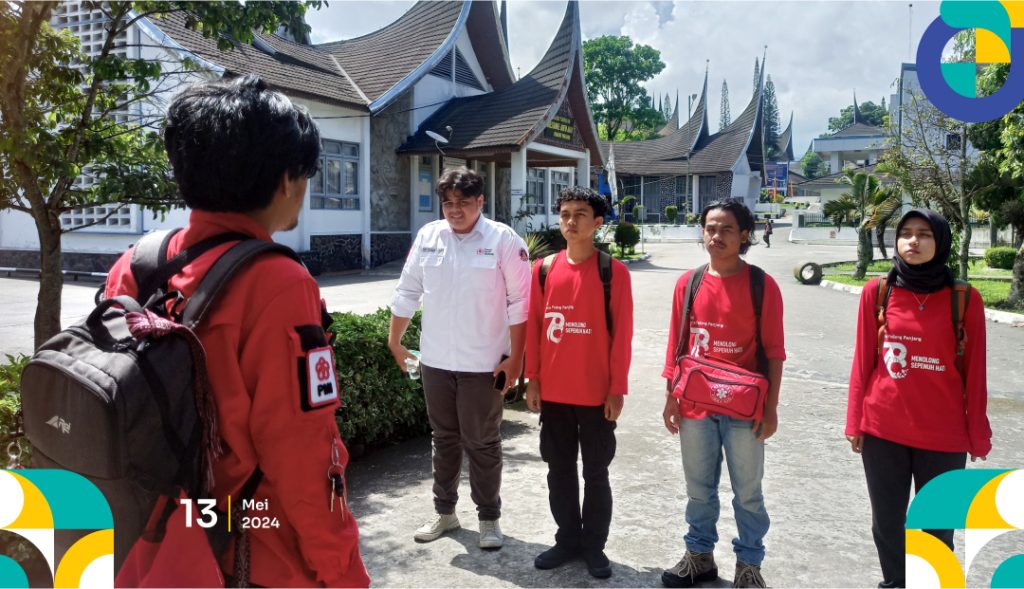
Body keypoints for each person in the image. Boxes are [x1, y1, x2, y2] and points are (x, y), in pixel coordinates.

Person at [104, 75, 370, 587]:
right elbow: (301, 455)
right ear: (286, 180)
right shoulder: (279, 283)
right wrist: (342, 570)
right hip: (246, 549)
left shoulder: (138, 263)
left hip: (144, 536)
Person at [846, 209, 991, 589]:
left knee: (937, 527)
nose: (913, 241)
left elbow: (975, 374)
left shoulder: (964, 298)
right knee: (888, 524)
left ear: (940, 241)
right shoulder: (877, 292)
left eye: (924, 234)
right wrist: (855, 422)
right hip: (883, 430)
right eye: (905, 233)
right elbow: (863, 363)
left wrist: (977, 434)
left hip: (943, 436)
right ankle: (895, 583)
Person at [389, 167, 531, 549]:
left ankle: (489, 519)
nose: (454, 210)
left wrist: (516, 360)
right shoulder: (429, 236)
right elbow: (408, 290)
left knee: (482, 442)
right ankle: (445, 513)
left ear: (480, 202)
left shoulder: (503, 240)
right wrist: (395, 341)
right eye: (448, 203)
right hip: (436, 360)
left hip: (484, 364)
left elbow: (521, 303)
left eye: (463, 203)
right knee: (444, 439)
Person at [660, 200, 786, 589]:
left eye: (726, 229)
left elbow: (775, 352)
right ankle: (699, 556)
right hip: (696, 404)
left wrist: (771, 408)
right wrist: (671, 395)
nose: (716, 236)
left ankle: (749, 565)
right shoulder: (690, 282)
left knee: (748, 492)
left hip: (743, 408)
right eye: (710, 228)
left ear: (744, 235)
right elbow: (676, 344)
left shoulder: (761, 285)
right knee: (699, 489)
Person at [524, 187, 634, 579]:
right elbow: (535, 329)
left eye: (581, 214)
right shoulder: (542, 269)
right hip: (553, 393)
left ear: (598, 223)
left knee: (596, 473)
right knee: (559, 470)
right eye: (565, 214)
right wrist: (532, 380)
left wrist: (616, 388)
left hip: (595, 395)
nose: (571, 221)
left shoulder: (613, 272)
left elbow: (622, 336)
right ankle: (567, 540)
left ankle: (593, 546)